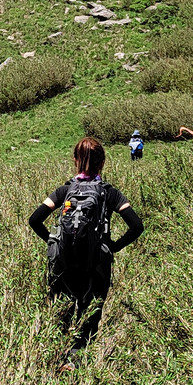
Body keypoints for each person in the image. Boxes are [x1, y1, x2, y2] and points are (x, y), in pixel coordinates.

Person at [29, 136, 143, 365]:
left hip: (63, 263)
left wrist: (54, 242)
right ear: (102, 162)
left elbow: (35, 220)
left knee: (63, 314)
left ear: (74, 160)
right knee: (89, 316)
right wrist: (112, 248)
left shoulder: (64, 191)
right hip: (97, 265)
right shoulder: (110, 193)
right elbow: (137, 226)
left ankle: (58, 362)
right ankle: (76, 362)